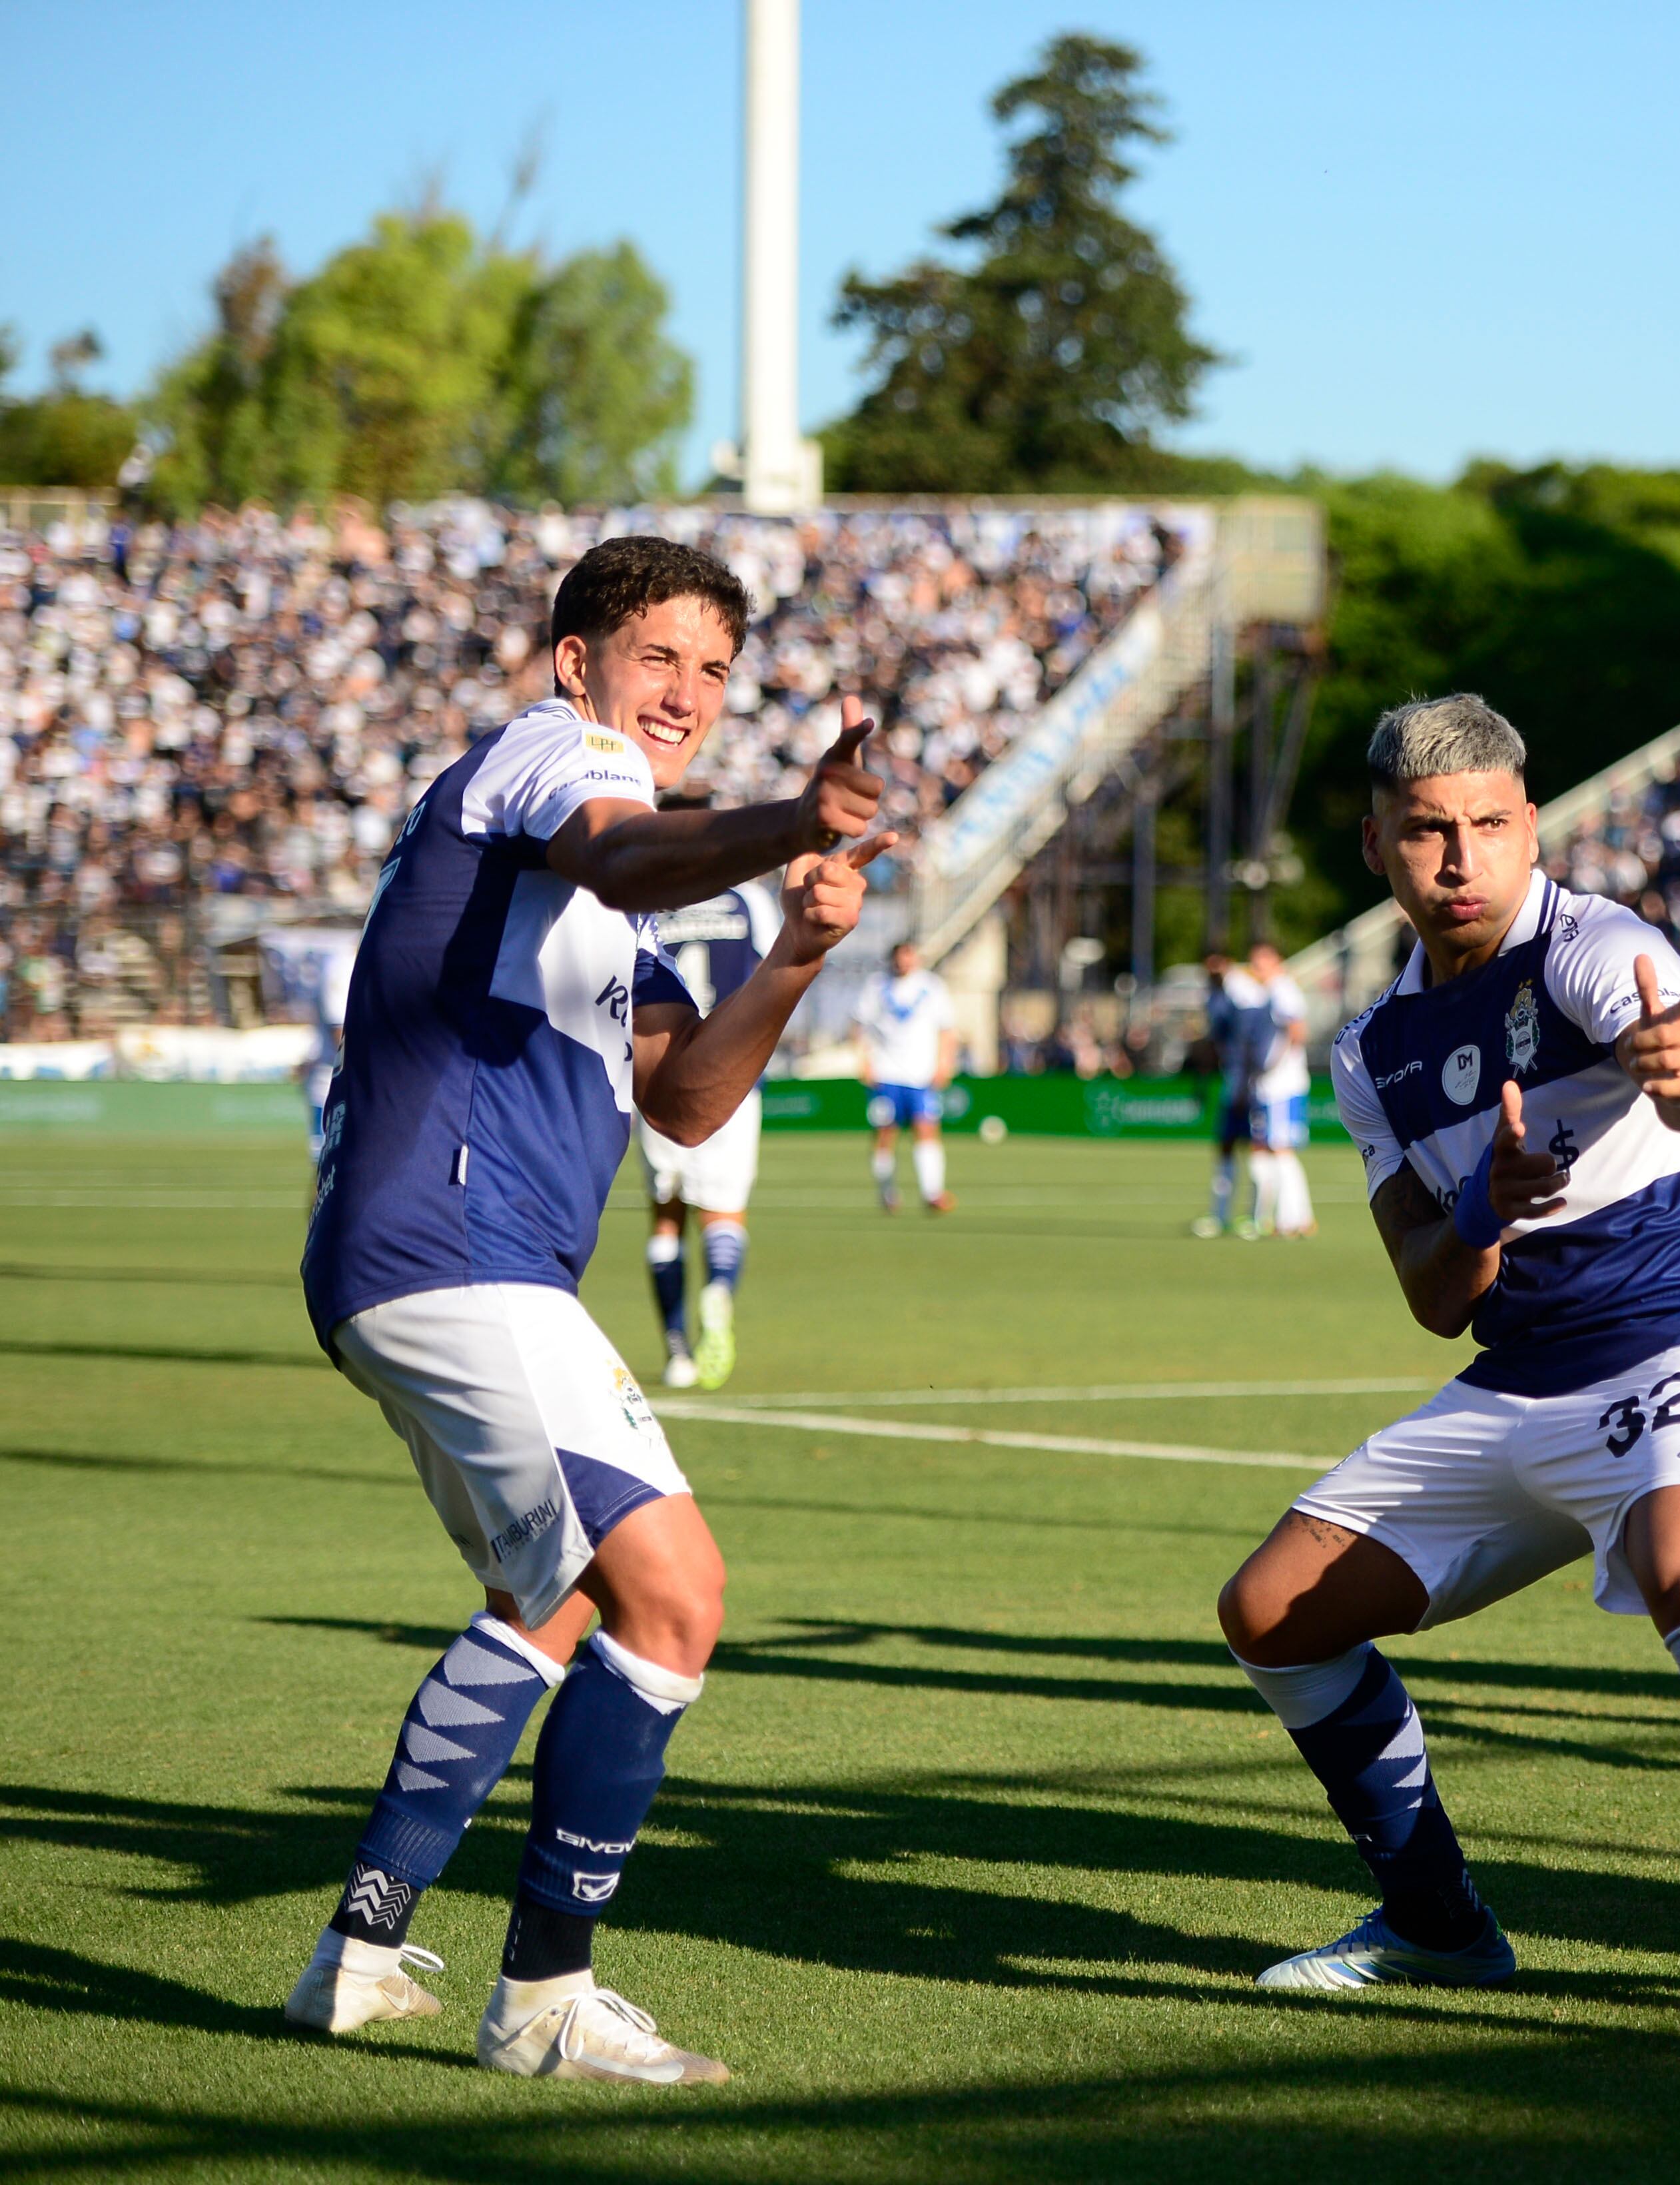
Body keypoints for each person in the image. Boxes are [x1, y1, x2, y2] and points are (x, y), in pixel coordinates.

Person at [283, 534, 893, 2080]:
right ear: (580, 664)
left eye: (714, 667)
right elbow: (626, 849)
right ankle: (545, 1996)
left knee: (552, 1599)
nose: (687, 689)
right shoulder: (557, 757)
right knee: (678, 1594)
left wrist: (804, 952)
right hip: (454, 1242)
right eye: (659, 656)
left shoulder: (632, 886)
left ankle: (356, 1951)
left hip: (433, 1257)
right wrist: (788, 825)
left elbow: (687, 1099)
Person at [1214, 695, 1680, 2084]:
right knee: (1271, 1611)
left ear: (1530, 827)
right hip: (1518, 1372)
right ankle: (1438, 1921)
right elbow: (1431, 1291)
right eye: (1426, 830)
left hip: (1678, 1333)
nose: (1460, 855)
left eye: (1488, 825)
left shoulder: (1597, 948)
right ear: (1378, 846)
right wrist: (1474, 1203)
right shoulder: (1370, 1051)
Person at [634, 805, 782, 1388]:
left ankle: (675, 1350)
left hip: (658, 1077)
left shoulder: (645, 897)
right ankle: (718, 1290)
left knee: (666, 1220)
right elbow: (775, 975)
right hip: (730, 1080)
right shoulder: (749, 900)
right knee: (724, 1212)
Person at [853, 941, 955, 1213]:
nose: (905, 963)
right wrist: (864, 1063)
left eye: (909, 957)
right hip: (886, 1071)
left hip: (921, 1074)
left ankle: (932, 1192)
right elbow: (860, 1026)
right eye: (900, 958)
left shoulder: (933, 987)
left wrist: (944, 1064)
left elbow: (947, 1029)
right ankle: (887, 1192)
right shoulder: (876, 986)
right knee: (885, 1133)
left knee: (926, 1129)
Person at [1246, 939, 1318, 1238]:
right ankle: (1287, 1216)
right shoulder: (1269, 992)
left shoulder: (1282, 989)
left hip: (1282, 1085)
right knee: (1269, 1148)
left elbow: (1297, 1028)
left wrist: (1276, 1063)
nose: (1257, 968)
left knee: (1281, 1149)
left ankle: (1295, 1219)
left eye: (1262, 961)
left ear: (1276, 960)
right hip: (1270, 1085)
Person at [1194, 950, 1268, 1238]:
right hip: (1233, 1083)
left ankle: (1256, 1217)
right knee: (1225, 1148)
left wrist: (1246, 1087)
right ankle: (1220, 1214)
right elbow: (1215, 1042)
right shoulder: (1217, 996)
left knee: (1258, 1151)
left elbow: (1252, 1046)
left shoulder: (1245, 995)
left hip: (1252, 1087)